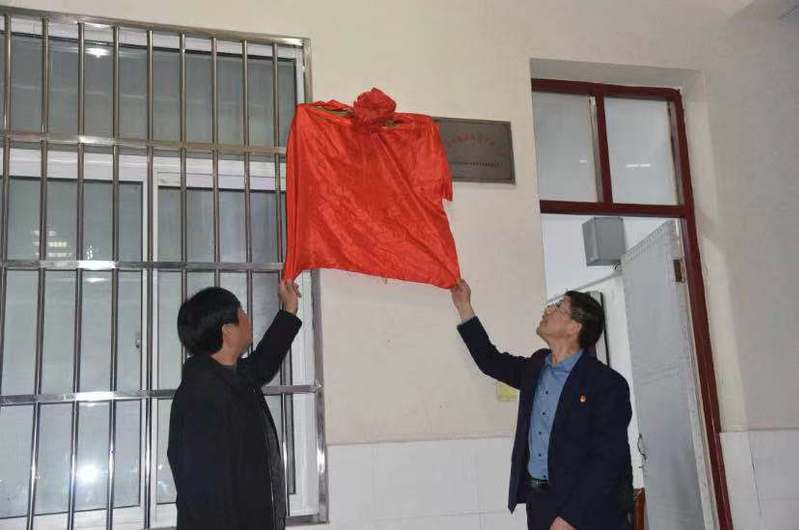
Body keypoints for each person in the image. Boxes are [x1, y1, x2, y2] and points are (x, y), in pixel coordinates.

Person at [451, 279, 633, 530]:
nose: (548, 309)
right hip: (540, 505)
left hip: (588, 513)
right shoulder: (536, 368)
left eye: (559, 307)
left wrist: (570, 518)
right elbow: (490, 360)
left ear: (574, 327)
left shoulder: (606, 384)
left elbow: (608, 459)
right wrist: (464, 307)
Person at [167, 280, 302, 530]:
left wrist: (289, 310)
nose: (248, 319)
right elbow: (206, 500)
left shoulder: (229, 377)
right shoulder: (201, 399)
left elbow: (262, 364)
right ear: (228, 330)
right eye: (242, 312)